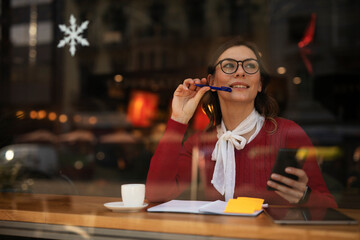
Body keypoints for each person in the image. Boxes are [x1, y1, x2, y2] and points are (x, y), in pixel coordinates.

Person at [146, 37, 337, 207]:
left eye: (250, 66)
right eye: (229, 65)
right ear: (212, 81)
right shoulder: (198, 144)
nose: (240, 72)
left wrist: (304, 196)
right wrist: (178, 120)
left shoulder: (288, 133)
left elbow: (329, 205)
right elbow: (156, 195)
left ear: (260, 83)